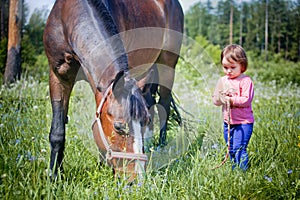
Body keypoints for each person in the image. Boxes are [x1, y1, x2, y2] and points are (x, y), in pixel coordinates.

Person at [212, 44, 254, 171]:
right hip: (228, 122)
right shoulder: (222, 81)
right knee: (230, 149)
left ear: (242, 65)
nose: (228, 71)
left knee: (239, 148)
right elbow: (215, 100)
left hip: (243, 123)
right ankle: (234, 171)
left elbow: (246, 100)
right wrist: (220, 98)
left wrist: (230, 99)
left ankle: (242, 173)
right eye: (225, 67)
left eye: (232, 67)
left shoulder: (245, 81)